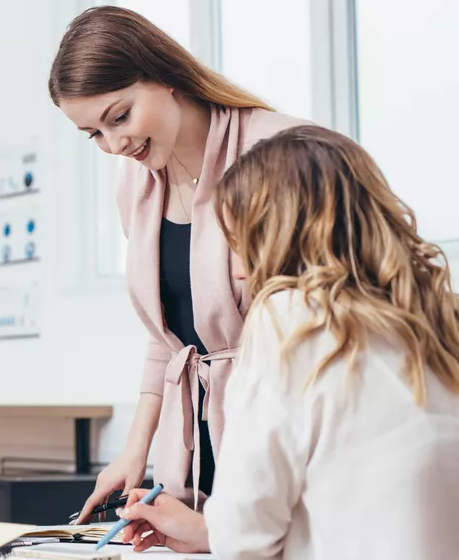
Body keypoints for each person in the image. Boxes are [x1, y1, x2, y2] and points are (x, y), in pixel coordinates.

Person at [114, 125, 459, 559]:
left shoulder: (289, 320)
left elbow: (246, 540)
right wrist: (207, 532)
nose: (239, 273)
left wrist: (221, 533)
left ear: (278, 236)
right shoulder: (437, 317)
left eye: (239, 244)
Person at [48, 6, 310, 518]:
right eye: (94, 134)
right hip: (197, 444)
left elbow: (323, 319)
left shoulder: (281, 151)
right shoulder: (137, 184)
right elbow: (167, 335)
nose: (115, 144)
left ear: (165, 75)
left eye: (120, 116)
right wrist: (135, 449)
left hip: (282, 430)